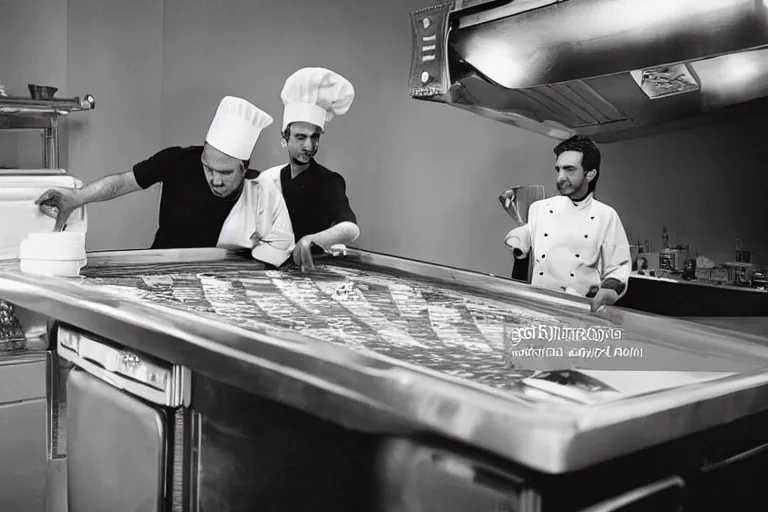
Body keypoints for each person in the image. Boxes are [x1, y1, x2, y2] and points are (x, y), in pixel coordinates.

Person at [35, 96, 274, 253]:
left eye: (226, 172)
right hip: (162, 266)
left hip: (221, 277)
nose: (216, 180)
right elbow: (122, 182)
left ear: (244, 169)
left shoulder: (259, 191)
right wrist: (77, 197)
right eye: (208, 168)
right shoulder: (176, 160)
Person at [503, 135, 631, 312]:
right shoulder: (539, 208)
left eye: (569, 170)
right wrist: (518, 242)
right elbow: (529, 240)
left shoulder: (606, 216)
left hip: (579, 309)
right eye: (559, 170)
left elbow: (619, 266)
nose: (560, 177)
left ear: (590, 174)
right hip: (537, 306)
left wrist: (609, 288)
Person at [259, 67, 360, 269]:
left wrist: (311, 240)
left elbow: (350, 229)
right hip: (269, 268)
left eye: (314, 137)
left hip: (311, 270)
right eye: (300, 137)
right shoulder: (269, 178)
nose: (309, 146)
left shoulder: (329, 181)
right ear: (285, 137)